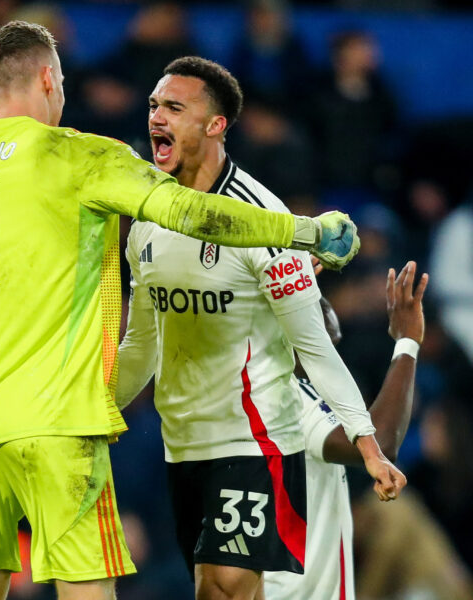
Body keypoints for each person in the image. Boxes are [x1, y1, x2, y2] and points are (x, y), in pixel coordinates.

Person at [0, 22, 359, 600]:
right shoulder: (83, 157)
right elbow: (196, 214)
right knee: (86, 587)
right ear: (48, 80)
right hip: (58, 423)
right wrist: (304, 231)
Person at [116, 56, 405, 600]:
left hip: (256, 440)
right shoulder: (147, 219)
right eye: (154, 105)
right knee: (212, 589)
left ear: (215, 124)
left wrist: (367, 445)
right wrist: (101, 411)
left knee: (223, 590)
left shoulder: (262, 220)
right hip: (182, 444)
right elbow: (142, 343)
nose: (157, 116)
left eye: (175, 107)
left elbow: (315, 346)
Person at [264, 261, 427, 599]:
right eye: (309, 298)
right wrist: (408, 341)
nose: (322, 303)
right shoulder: (288, 396)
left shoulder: (256, 387)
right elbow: (381, 444)